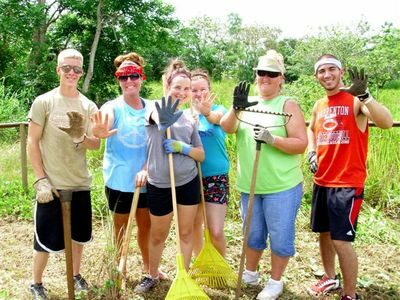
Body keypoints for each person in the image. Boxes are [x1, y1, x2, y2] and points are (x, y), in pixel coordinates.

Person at [220, 49, 307, 300]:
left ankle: (275, 281)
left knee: (280, 236)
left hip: (281, 186)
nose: (265, 77)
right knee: (253, 233)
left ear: (281, 77)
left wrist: (272, 139)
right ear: (255, 75)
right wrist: (235, 107)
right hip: (250, 184)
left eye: (272, 73)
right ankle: (250, 272)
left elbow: (301, 143)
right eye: (261, 73)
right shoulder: (246, 102)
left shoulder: (286, 105)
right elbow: (227, 128)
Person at [306, 54, 393, 300]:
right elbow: (311, 129)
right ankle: (329, 277)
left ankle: (350, 294)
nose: (327, 75)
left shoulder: (355, 101)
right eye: (322, 71)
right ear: (317, 76)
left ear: (341, 72)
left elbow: (385, 122)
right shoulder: (319, 105)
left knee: (341, 241)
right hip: (322, 180)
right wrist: (312, 152)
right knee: (323, 232)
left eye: (332, 69)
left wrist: (365, 96)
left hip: (347, 183)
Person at [27, 49, 100, 300]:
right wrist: (40, 179)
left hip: (79, 182)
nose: (71, 73)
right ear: (58, 70)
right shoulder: (44, 102)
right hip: (52, 184)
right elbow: (32, 141)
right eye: (66, 68)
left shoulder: (88, 105)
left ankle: (75, 275)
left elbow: (95, 144)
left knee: (78, 237)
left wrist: (80, 136)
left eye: (76, 69)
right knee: (45, 239)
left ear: (81, 72)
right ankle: (36, 283)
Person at [90, 52, 166, 279]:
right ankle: (118, 267)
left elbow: (161, 139)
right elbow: (105, 121)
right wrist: (99, 131)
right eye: (123, 77)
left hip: (147, 177)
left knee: (146, 226)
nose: (129, 81)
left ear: (142, 77)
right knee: (120, 227)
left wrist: (146, 167)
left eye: (134, 75)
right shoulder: (112, 107)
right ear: (118, 80)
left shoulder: (153, 107)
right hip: (119, 179)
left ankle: (147, 266)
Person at [133, 59, 204, 294]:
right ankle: (151, 275)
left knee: (185, 232)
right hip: (160, 184)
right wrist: (169, 114)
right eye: (178, 87)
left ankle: (183, 275)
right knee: (158, 234)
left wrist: (181, 147)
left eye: (186, 89)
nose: (182, 92)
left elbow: (200, 155)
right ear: (167, 85)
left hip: (187, 182)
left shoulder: (188, 118)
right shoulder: (154, 107)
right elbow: (160, 119)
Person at [190, 69, 230, 257]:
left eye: (203, 89)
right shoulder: (184, 115)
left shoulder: (219, 110)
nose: (199, 94)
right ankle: (201, 262)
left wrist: (207, 113)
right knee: (194, 226)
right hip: (191, 176)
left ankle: (221, 264)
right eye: (194, 90)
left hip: (216, 176)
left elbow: (218, 120)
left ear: (209, 90)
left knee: (215, 230)